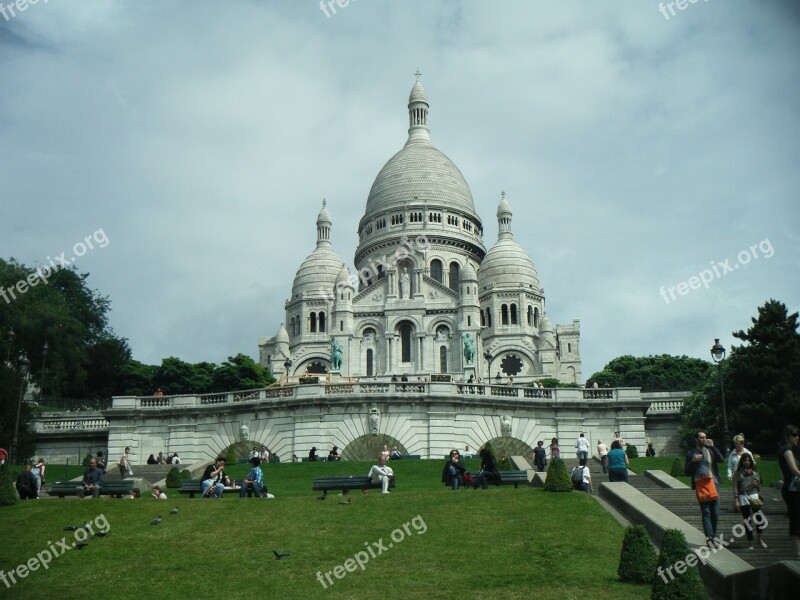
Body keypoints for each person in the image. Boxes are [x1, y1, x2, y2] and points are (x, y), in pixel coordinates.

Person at [685, 431, 725, 547]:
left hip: (714, 483)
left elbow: (721, 459)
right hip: (701, 485)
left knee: (715, 513)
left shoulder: (711, 450)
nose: (704, 439)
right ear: (696, 439)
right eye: (701, 438)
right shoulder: (691, 453)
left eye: (705, 437)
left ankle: (712, 535)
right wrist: (693, 461)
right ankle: (710, 539)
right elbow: (687, 472)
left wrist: (713, 446)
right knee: (706, 512)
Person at [734, 454, 767, 549]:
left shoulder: (754, 471)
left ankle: (760, 538)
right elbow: (735, 487)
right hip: (742, 496)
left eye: (748, 460)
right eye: (745, 460)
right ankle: (750, 542)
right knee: (747, 520)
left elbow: (759, 485)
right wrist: (736, 500)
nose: (747, 462)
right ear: (742, 461)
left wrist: (757, 484)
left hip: (754, 495)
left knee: (759, 518)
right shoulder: (738, 473)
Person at [778, 424, 800, 559]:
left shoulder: (793, 450)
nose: (797, 437)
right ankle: (798, 552)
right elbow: (794, 470)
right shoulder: (786, 449)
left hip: (795, 488)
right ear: (787, 436)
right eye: (794, 435)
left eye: (797, 434)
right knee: (796, 519)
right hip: (792, 489)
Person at [727, 433, 754, 512]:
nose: (736, 446)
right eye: (735, 444)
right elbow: (729, 465)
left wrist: (751, 471)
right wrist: (729, 474)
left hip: (747, 475)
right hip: (737, 475)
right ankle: (737, 505)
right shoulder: (732, 454)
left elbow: (753, 464)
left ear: (742, 444)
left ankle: (744, 505)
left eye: (738, 444)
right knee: (737, 490)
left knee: (746, 490)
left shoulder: (748, 453)